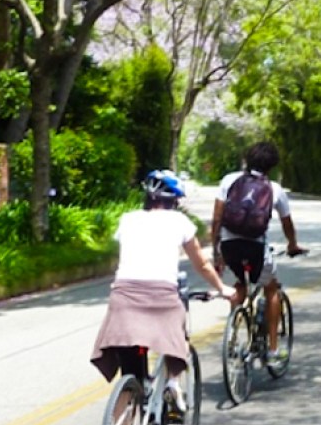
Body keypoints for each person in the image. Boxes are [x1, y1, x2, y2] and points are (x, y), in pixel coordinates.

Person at [91, 170, 238, 409]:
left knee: (129, 373)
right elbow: (201, 263)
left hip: (124, 296)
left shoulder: (127, 219)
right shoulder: (180, 221)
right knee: (177, 338)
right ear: (174, 201)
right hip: (162, 297)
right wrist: (222, 288)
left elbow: (126, 258)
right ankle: (172, 383)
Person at [210, 141, 306, 364]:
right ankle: (272, 349)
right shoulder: (274, 189)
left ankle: (232, 336)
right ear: (271, 166)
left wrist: (216, 251)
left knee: (240, 284)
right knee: (271, 288)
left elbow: (216, 219)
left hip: (229, 246)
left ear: (247, 160)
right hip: (256, 248)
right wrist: (292, 245)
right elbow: (287, 224)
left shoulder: (229, 180)